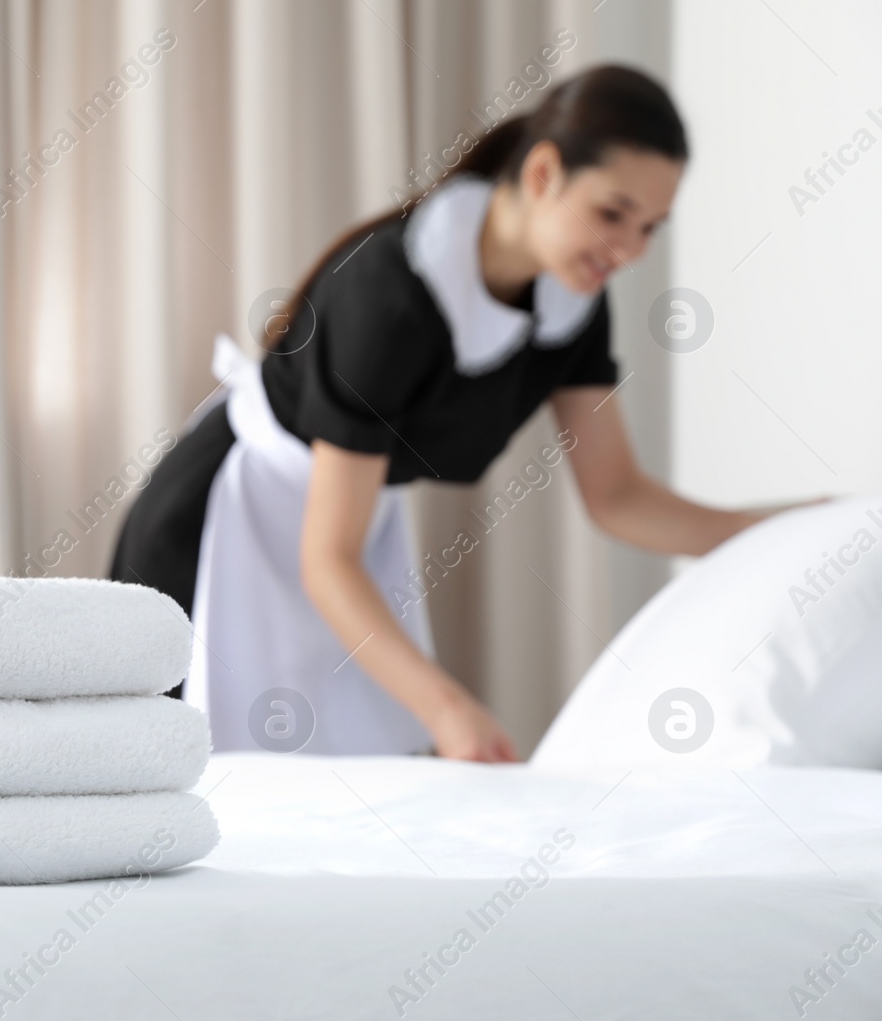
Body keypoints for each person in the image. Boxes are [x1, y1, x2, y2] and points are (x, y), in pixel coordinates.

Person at [111, 65, 778, 762]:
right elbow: (327, 558)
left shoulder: (572, 301)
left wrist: (784, 528)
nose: (630, 251)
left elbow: (617, 496)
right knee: (183, 784)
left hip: (343, 544)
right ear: (545, 172)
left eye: (651, 228)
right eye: (613, 214)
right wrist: (448, 708)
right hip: (220, 531)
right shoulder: (391, 296)